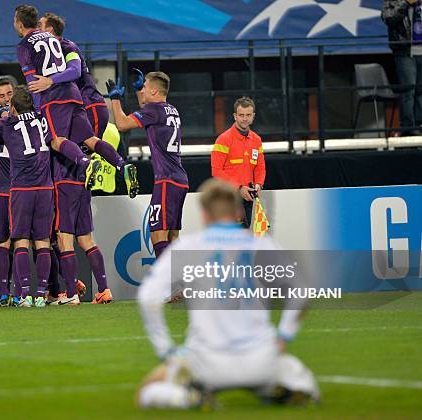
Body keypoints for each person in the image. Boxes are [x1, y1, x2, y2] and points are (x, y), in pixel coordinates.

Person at [136, 178, 319, 409]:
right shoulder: (261, 245)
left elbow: (148, 297)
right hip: (260, 359)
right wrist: (284, 336)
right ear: (237, 212)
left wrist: (166, 351)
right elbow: (302, 290)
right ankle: (279, 389)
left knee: (148, 390)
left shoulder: (188, 247)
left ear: (204, 214)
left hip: (207, 364)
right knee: (292, 369)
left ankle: (189, 398)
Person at [28, 12, 113, 304]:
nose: (36, 31)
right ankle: (103, 288)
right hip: (83, 119)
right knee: (85, 238)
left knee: (62, 237)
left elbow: (74, 71)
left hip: (65, 171)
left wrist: (48, 83)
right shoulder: (56, 51)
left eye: (40, 27)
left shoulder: (66, 48)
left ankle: (68, 293)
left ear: (50, 30)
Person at [14, 4, 139, 198]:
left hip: (55, 98)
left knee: (56, 141)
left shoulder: (24, 46)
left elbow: (34, 83)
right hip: (74, 94)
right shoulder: (56, 40)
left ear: (19, 24)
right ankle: (122, 166)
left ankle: (88, 163)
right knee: (90, 139)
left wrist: (39, 109)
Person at [0, 86, 55, 308]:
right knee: (14, 242)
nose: (5, 99)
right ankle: (19, 293)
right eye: (2, 96)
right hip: (21, 188)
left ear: (13, 103)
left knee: (18, 241)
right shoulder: (41, 118)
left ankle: (22, 293)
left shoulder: (4, 124)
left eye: (9, 95)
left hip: (18, 189)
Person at [108, 71, 189, 259]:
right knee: (172, 235)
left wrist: (115, 99)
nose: (142, 89)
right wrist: (138, 92)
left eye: (144, 86)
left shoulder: (154, 111)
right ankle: (179, 286)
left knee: (157, 233)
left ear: (153, 91)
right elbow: (147, 110)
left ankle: (166, 284)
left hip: (166, 180)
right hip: (180, 179)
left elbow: (121, 123)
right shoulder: (171, 110)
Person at [211, 97, 265, 229]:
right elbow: (216, 171)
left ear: (253, 116)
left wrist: (258, 185)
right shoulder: (223, 139)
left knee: (244, 235)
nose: (245, 119)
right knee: (233, 237)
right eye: (241, 115)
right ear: (235, 116)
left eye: (248, 115)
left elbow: (260, 168)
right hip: (228, 197)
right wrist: (239, 188)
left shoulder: (256, 140)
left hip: (249, 197)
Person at [382, 0, 422, 135]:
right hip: (405, 49)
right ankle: (408, 128)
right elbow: (387, 17)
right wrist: (405, 2)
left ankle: (419, 124)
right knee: (408, 90)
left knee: (421, 91)